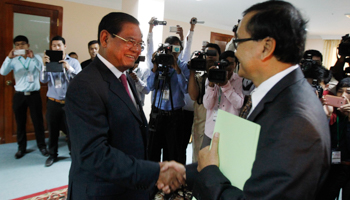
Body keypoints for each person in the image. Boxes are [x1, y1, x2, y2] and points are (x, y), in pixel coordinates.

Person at [192, 1, 331, 199]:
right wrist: (180, 172)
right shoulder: (282, 95)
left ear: (266, 47)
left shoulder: (294, 120)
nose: (235, 52)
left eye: (238, 42)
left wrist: (209, 173)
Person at [65, 12, 185, 199]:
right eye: (130, 41)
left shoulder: (124, 75)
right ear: (105, 38)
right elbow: (93, 154)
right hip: (102, 191)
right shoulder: (85, 84)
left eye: (140, 44)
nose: (137, 50)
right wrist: (155, 171)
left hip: (128, 186)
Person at [147, 30, 191, 165]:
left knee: (172, 152)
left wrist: (177, 70)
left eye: (177, 48)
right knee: (152, 150)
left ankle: (168, 182)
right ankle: (152, 179)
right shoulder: (159, 65)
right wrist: (154, 68)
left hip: (175, 116)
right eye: (171, 48)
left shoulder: (184, 67)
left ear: (181, 50)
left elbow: (186, 90)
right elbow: (150, 87)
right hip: (157, 113)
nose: (174, 52)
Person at [0, 35, 48, 159]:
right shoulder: (13, 60)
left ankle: (42, 146)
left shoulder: (36, 57)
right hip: (20, 95)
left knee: (38, 122)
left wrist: (34, 59)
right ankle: (21, 148)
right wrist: (8, 58)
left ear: (28, 45)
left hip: (34, 95)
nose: (20, 46)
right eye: (17, 44)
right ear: (14, 47)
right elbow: (3, 72)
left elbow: (43, 70)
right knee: (20, 123)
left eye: (22, 44)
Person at [41, 35, 82, 167]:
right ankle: (52, 155)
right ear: (51, 47)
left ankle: (73, 155)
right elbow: (43, 80)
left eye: (59, 45)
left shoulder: (74, 62)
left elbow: (80, 81)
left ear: (65, 46)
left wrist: (68, 68)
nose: (56, 48)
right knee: (52, 130)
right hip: (53, 102)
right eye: (54, 46)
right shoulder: (49, 62)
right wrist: (44, 66)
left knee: (72, 131)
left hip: (70, 103)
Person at [317, 77, 350, 200]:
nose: (343, 95)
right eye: (340, 91)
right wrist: (327, 116)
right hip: (333, 165)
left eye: (348, 92)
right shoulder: (333, 113)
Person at [201, 50, 244, 146]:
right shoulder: (211, 77)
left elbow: (239, 104)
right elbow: (207, 105)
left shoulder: (240, 80)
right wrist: (211, 85)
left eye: (230, 64)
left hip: (229, 132)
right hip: (210, 131)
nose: (227, 67)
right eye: (225, 63)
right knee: (205, 160)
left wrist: (226, 85)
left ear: (235, 64)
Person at [188, 43, 220, 162]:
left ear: (219, 58)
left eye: (214, 54)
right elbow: (193, 95)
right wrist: (192, 72)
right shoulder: (199, 77)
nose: (210, 57)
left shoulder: (224, 78)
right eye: (208, 54)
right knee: (198, 159)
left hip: (219, 126)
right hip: (201, 125)